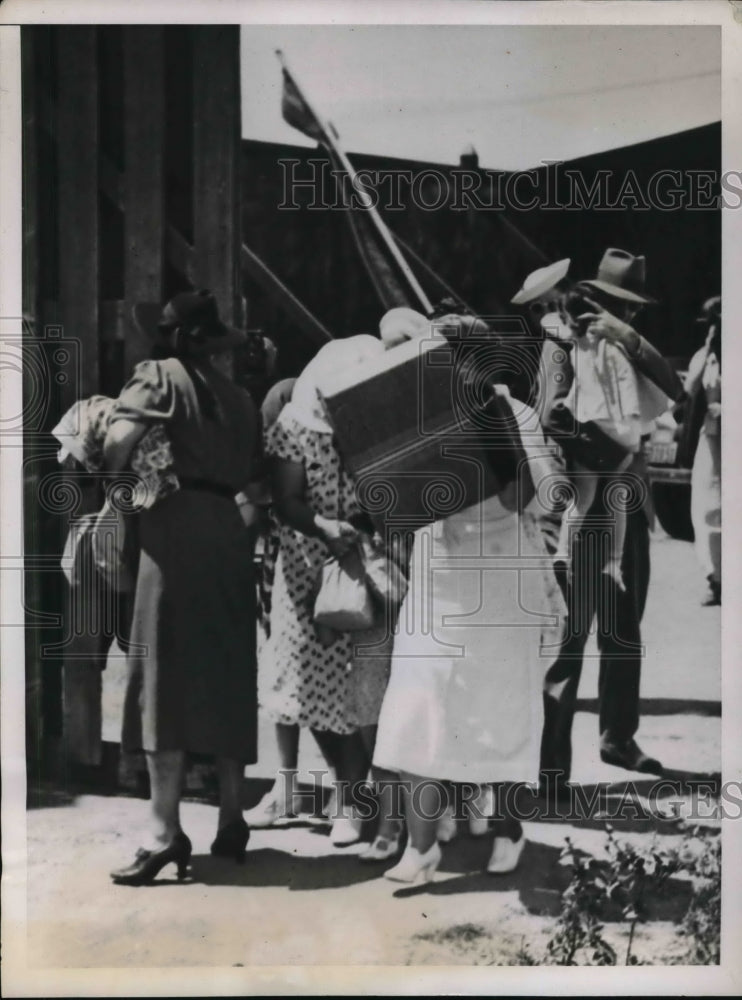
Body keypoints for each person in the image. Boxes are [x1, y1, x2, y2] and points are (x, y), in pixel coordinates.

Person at [371, 314, 566, 883]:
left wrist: (490, 434)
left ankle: (508, 827)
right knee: (417, 702)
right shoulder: (420, 418)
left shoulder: (512, 414)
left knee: (498, 709)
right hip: (437, 573)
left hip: (501, 576)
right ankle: (422, 846)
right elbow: (392, 502)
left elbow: (531, 499)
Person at [105, 290, 263, 885]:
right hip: (227, 532)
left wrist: (115, 487)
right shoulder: (242, 399)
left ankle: (165, 833)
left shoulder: (158, 377)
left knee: (161, 677)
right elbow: (256, 482)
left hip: (172, 530)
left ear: (171, 338)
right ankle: (231, 818)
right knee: (225, 671)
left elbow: (116, 445)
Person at [511, 250, 683, 791]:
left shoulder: (625, 346)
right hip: (582, 507)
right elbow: (547, 417)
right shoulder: (562, 344)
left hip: (630, 501)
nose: (621, 315)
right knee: (570, 634)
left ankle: (618, 737)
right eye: (614, 306)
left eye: (629, 311)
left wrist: (624, 339)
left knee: (624, 627)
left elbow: (673, 389)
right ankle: (552, 764)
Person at [253, 335, 387, 847]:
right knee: (309, 685)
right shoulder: (294, 425)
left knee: (366, 688)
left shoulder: (379, 423)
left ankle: (367, 798)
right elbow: (285, 499)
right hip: (306, 569)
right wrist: (322, 525)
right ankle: (352, 797)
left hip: (368, 565)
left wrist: (365, 524)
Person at [683, 296, 721, 605]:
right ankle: (715, 577)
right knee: (707, 505)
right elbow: (688, 389)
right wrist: (709, 348)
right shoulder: (706, 356)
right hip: (712, 439)